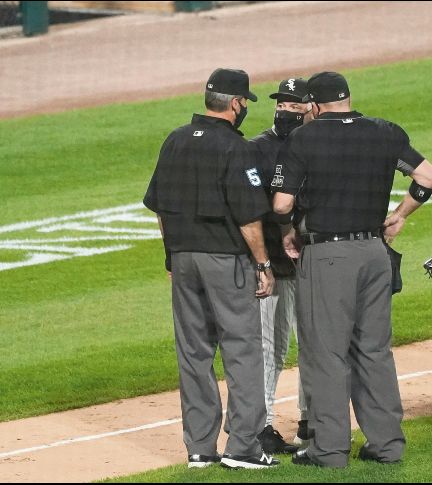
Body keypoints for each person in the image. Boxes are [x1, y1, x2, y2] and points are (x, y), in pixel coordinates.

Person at [272, 71, 432, 468]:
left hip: (329, 257)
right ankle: (386, 444)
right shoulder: (384, 131)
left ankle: (329, 449)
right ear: (347, 99)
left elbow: (281, 204)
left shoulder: (304, 138)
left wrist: (288, 233)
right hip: (374, 253)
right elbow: (426, 177)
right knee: (374, 350)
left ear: (313, 105)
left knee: (326, 353)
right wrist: (399, 215)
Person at [143, 68, 280, 470]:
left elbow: (161, 207)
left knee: (193, 353)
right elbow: (248, 216)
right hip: (225, 260)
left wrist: (172, 254)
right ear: (236, 104)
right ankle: (244, 447)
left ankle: (200, 448)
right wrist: (263, 263)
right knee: (242, 350)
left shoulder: (175, 141)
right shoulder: (235, 149)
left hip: (183, 259)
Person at [249, 78, 313, 453]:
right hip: (270, 263)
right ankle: (263, 425)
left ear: (311, 110)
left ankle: (309, 421)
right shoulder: (257, 149)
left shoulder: (315, 145)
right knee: (268, 348)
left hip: (307, 262)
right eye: (282, 104)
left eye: (295, 105)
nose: (286, 110)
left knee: (310, 345)